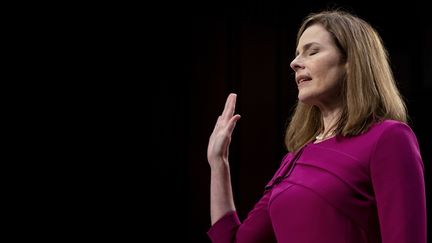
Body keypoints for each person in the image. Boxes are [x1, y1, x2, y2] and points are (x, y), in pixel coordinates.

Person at [206, 10, 426, 243]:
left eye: (312, 52)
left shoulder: (389, 138)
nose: (294, 63)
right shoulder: (294, 158)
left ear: (352, 61)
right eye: (297, 55)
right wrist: (218, 162)